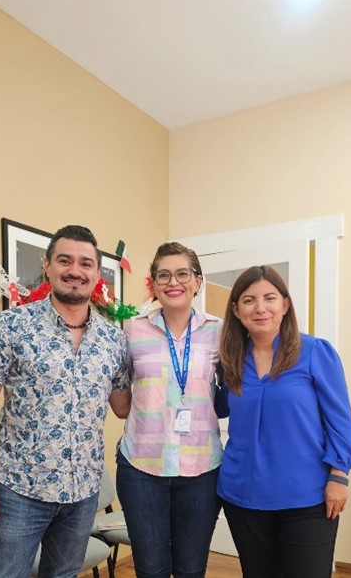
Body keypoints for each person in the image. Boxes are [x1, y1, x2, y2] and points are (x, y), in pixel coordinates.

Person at [0, 224, 131, 578]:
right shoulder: (10, 326)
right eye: (65, 260)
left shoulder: (114, 340)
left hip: (83, 493)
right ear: (47, 265)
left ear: (96, 274)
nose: (75, 271)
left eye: (85, 263)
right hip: (21, 491)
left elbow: (123, 406)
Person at [216, 265, 351, 578]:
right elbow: (219, 408)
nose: (260, 308)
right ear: (236, 310)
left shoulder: (315, 352)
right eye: (249, 300)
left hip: (307, 497)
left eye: (270, 298)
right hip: (243, 495)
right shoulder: (230, 360)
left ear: (285, 304)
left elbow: (340, 421)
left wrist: (339, 475)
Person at [116, 241, 223, 578]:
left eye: (182, 274)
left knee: (191, 570)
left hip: (202, 468)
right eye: (163, 275)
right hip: (142, 467)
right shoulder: (132, 329)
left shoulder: (220, 331)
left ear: (197, 281)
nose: (173, 282)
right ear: (153, 283)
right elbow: (120, 396)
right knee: (151, 571)